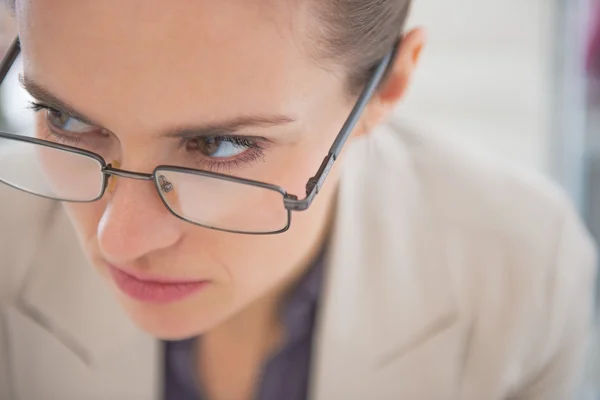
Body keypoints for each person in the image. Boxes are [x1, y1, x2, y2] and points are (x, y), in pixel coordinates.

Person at [0, 1, 596, 399]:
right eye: (67, 119)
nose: (118, 239)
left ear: (387, 88)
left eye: (220, 146)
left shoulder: (524, 270)